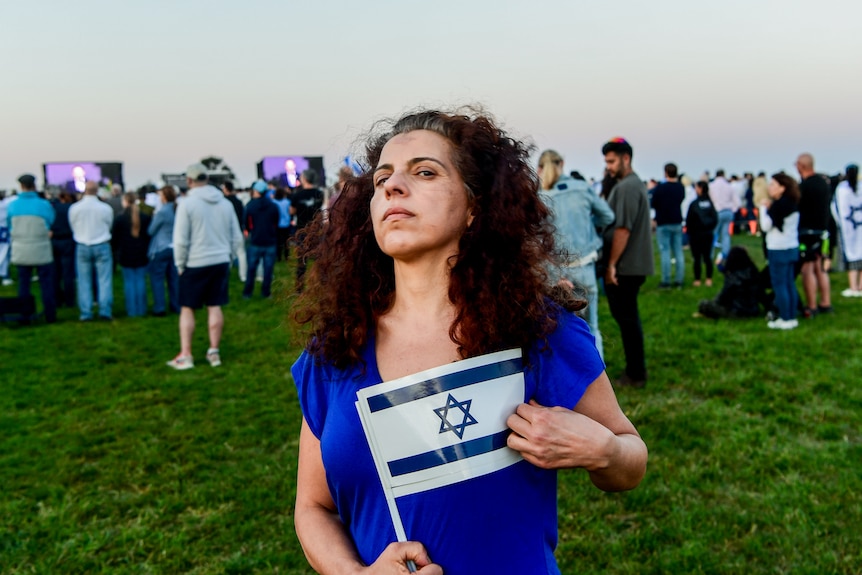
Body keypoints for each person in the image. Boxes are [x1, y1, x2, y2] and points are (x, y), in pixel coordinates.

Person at [291, 109, 647, 574]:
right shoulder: (334, 350)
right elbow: (313, 507)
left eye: (424, 171)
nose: (393, 187)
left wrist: (603, 450)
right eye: (381, 179)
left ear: (475, 206)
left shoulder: (536, 330)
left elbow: (630, 459)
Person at [537, 149, 615, 359]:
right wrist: (590, 227)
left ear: (540, 169)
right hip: (585, 266)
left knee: (559, 329)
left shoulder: (539, 197)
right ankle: (598, 377)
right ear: (562, 163)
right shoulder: (582, 188)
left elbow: (536, 238)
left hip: (553, 272)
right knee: (592, 326)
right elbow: (608, 216)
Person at [167, 163, 243, 369]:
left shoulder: (187, 204)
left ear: (189, 181)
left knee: (187, 308)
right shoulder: (225, 203)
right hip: (219, 260)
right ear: (207, 179)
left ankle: (186, 354)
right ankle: (214, 351)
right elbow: (236, 236)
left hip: (195, 262)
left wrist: (180, 264)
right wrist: (232, 259)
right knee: (214, 305)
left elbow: (181, 240)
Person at [602, 137, 654, 388]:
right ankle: (635, 369)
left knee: (627, 319)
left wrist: (611, 265)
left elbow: (622, 229)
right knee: (627, 317)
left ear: (626, 158)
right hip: (630, 264)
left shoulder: (626, 188)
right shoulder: (632, 184)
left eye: (612, 161)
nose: (609, 166)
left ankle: (635, 373)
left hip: (625, 266)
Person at [7, 174, 56, 323]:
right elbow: (50, 221)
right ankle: (50, 314)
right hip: (41, 248)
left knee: (24, 283)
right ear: (34, 185)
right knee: (46, 283)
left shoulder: (13, 206)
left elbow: (10, 226)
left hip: (21, 249)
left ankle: (25, 314)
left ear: (21, 186)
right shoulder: (44, 205)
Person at [759, 173, 801, 330]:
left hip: (778, 248)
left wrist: (762, 209)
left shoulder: (778, 205)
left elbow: (765, 226)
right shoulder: (792, 203)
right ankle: (791, 316)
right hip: (792, 247)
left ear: (782, 187)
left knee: (779, 285)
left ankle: (785, 318)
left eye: (773, 185)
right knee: (789, 283)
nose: (770, 188)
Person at [69, 180, 115, 321]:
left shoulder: (75, 208)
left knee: (83, 280)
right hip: (101, 243)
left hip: (83, 244)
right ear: (97, 190)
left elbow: (73, 225)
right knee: (104, 279)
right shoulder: (105, 208)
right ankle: (105, 310)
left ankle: (86, 312)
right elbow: (109, 224)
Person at [795, 153, 833, 315]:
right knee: (820, 269)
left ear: (801, 166)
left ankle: (811, 306)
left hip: (807, 232)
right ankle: (826, 302)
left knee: (807, 269)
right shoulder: (823, 183)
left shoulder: (804, 186)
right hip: (822, 231)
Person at [696, 246, 763, 319]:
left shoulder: (732, 277)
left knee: (704, 304)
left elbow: (723, 296)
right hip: (753, 310)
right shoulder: (753, 273)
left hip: (736, 311)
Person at [113, 192, 151, 317]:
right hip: (141, 252)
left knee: (129, 282)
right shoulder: (144, 217)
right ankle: (141, 309)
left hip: (126, 253)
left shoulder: (120, 218)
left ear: (125, 201)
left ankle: (132, 310)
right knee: (140, 281)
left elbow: (115, 238)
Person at [242, 180, 280, 299]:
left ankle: (247, 293)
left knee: (251, 269)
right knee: (268, 270)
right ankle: (266, 292)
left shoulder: (250, 206)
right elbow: (276, 222)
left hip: (255, 241)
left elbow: (246, 224)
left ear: (256, 191)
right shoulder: (273, 205)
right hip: (270, 241)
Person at [651, 163, 686, 287]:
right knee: (678, 251)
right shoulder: (680, 187)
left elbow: (653, 203)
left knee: (665, 252)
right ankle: (679, 279)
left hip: (663, 221)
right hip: (676, 221)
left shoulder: (660, 188)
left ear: (665, 172)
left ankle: (666, 280)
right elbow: (681, 199)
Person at [290, 168, 324, 292]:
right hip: (315, 230)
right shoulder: (319, 193)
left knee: (301, 262)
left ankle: (299, 288)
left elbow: (292, 211)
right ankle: (321, 285)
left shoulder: (297, 195)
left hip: (301, 231)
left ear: (304, 179)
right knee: (319, 260)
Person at [148, 186, 180, 316]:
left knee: (158, 279)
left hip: (162, 247)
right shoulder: (178, 210)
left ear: (164, 197)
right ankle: (176, 305)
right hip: (175, 247)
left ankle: (159, 307)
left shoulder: (162, 212)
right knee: (174, 279)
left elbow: (151, 230)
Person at [833, 164, 862, 296]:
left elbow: (834, 207)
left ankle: (853, 286)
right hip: (857, 226)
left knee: (852, 257)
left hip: (848, 228)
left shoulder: (841, 189)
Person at [686, 181, 718, 287]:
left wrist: (690, 232)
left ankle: (698, 279)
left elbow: (689, 220)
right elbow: (715, 218)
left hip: (696, 234)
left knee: (697, 258)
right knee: (708, 257)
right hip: (708, 234)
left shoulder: (694, 204)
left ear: (700, 189)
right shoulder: (710, 203)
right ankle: (709, 278)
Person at [51, 192, 77, 307]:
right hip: (68, 240)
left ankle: (57, 299)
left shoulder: (53, 208)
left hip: (55, 240)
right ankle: (69, 299)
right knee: (68, 273)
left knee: (55, 273)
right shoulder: (72, 208)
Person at [709, 169, 739, 265]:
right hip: (728, 211)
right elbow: (737, 202)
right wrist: (733, 209)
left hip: (716, 211)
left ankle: (710, 254)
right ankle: (725, 254)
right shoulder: (729, 186)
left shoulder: (712, 186)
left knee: (713, 234)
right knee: (725, 235)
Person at [222, 180, 247, 282]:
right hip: (239, 230)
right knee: (241, 253)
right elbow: (243, 216)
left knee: (227, 254)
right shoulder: (238, 202)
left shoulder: (223, 202)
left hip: (226, 231)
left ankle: (226, 274)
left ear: (226, 189)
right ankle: (243, 276)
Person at [272, 187, 292, 262]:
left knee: (278, 241)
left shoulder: (273, 202)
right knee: (286, 241)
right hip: (286, 224)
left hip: (277, 224)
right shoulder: (287, 202)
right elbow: (290, 212)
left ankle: (279, 257)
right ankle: (287, 256)